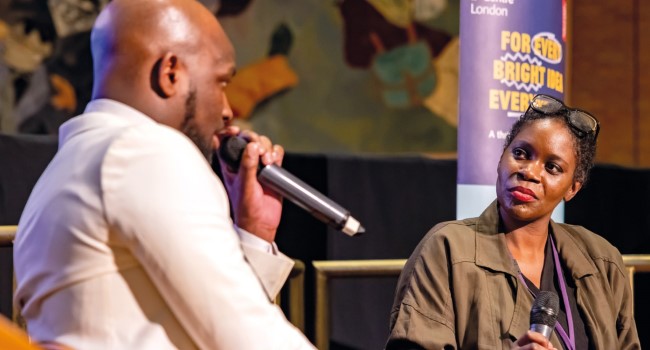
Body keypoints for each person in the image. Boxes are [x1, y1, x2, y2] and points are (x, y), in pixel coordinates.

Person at [12, 0, 315, 349]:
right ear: (170, 72)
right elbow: (248, 334)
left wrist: (252, 232)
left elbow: (186, 316)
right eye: (220, 82)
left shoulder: (70, 167)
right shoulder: (144, 151)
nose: (227, 110)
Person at [386, 94, 640, 349]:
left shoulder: (603, 261)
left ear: (572, 189)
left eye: (552, 167)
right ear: (500, 159)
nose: (529, 171)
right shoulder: (447, 248)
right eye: (520, 153)